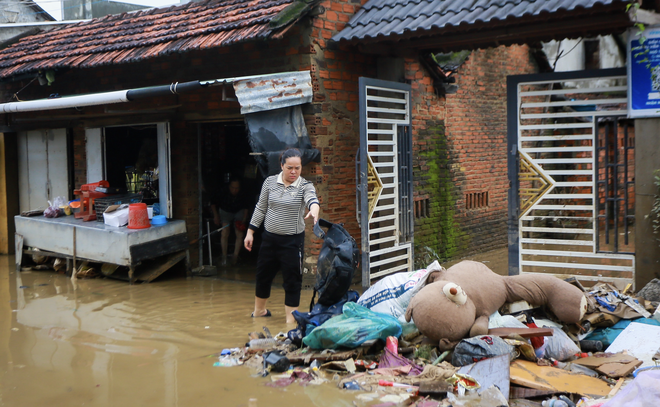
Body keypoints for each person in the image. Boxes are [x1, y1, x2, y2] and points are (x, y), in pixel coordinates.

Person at [244, 148, 320, 324]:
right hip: (269, 239)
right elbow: (260, 208)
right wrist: (250, 232)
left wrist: (314, 210)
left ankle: (290, 322)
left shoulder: (304, 185)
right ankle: (259, 312)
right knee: (263, 275)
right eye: (289, 168)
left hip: (292, 242)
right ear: (282, 166)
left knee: (292, 280)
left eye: (297, 168)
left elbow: (312, 200)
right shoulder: (269, 182)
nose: (293, 172)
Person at [211, 178, 249, 266]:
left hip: (239, 210)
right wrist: (216, 216)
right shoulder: (222, 192)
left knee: (239, 233)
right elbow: (213, 203)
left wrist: (244, 219)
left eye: (237, 188)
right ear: (229, 187)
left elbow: (246, 206)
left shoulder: (243, 193)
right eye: (233, 188)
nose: (235, 190)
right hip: (225, 210)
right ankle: (224, 256)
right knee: (225, 232)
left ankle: (235, 257)